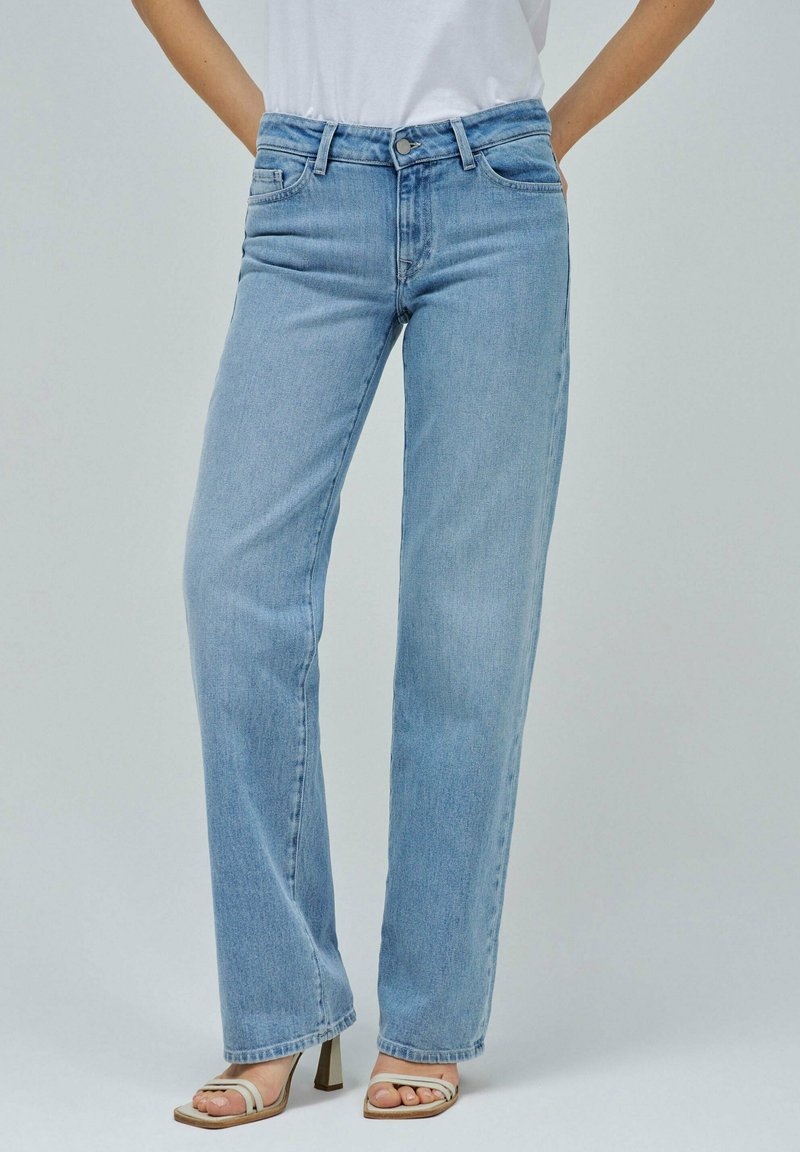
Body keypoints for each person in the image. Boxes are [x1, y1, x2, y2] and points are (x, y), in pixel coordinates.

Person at [131, 0, 717, 1127]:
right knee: (231, 582)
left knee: (465, 617)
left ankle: (427, 1019)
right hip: (308, 195)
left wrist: (555, 129)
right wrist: (270, 133)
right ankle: (281, 1005)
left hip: (494, 195)